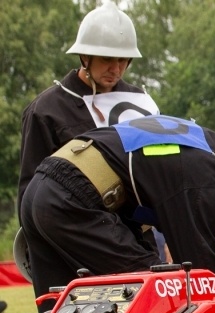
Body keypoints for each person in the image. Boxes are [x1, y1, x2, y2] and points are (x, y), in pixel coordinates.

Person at [20, 114, 215, 313]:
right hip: (73, 198)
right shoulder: (206, 176)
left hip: (42, 188)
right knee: (159, 290)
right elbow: (204, 272)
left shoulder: (198, 142)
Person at [18, 2, 159, 221]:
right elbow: (31, 195)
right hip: (76, 231)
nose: (116, 69)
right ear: (85, 56)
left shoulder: (141, 102)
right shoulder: (46, 110)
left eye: (122, 60)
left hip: (138, 232)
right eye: (107, 59)